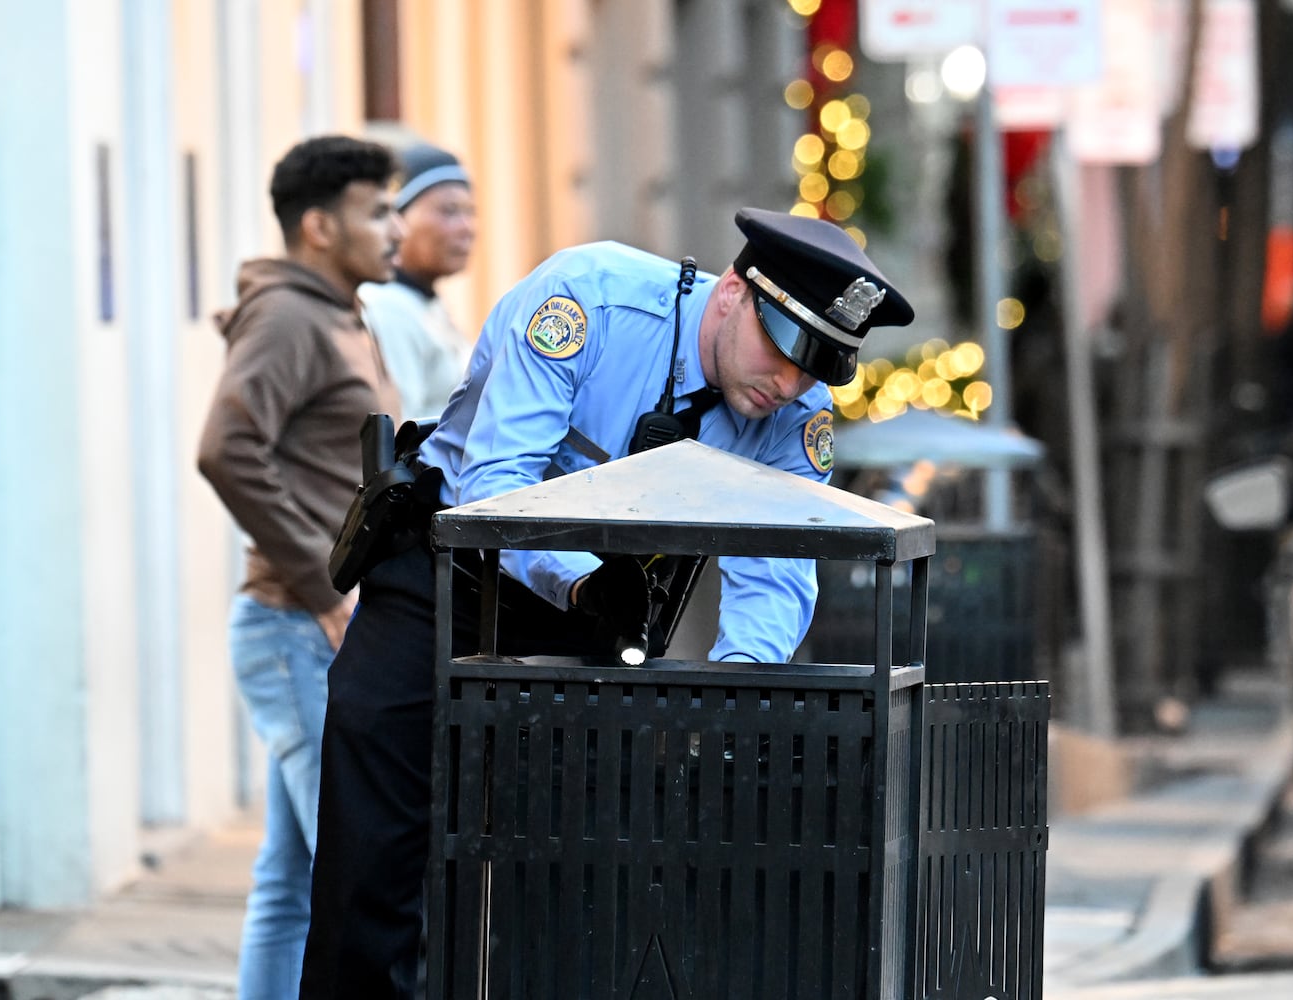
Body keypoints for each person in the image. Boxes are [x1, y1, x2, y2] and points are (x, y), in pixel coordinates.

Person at [299, 207, 914, 999]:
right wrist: (584, 580)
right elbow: (496, 486)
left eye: (816, 366)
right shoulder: (588, 301)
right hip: (447, 577)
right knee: (374, 856)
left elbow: (778, 570)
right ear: (732, 292)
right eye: (785, 348)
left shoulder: (790, 416)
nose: (788, 382)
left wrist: (734, 696)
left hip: (602, 620)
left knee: (568, 876)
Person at [196, 134, 404, 1000]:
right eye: (378, 210)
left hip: (321, 629)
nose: (396, 228)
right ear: (319, 225)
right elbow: (226, 449)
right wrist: (324, 590)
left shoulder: (340, 313)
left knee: (293, 878)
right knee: (354, 873)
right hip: (297, 629)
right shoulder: (288, 316)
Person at [359, 141, 478, 418]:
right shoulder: (387, 309)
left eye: (470, 212)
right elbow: (399, 439)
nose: (467, 228)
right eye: (449, 211)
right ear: (397, 221)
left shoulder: (421, 301)